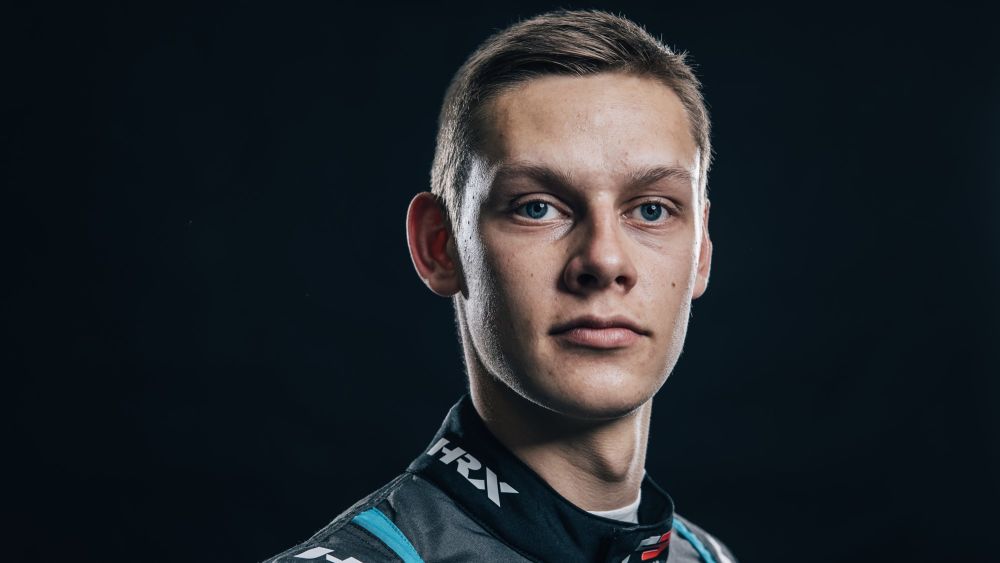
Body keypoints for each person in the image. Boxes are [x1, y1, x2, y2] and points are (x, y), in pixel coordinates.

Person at [266, 9, 737, 563]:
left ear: (701, 252)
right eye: (537, 207)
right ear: (439, 246)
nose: (604, 260)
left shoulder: (707, 556)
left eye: (652, 209)